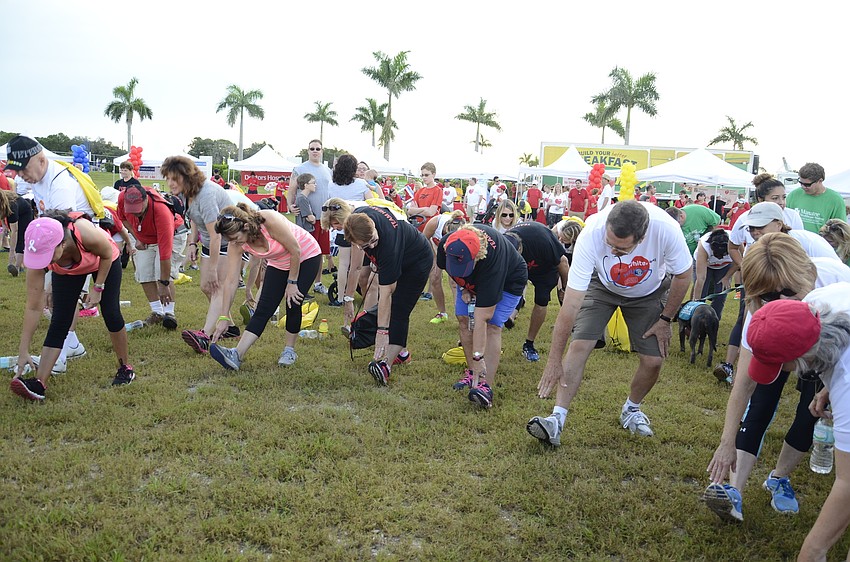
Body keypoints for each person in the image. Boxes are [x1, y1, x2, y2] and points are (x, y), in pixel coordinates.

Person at [704, 233, 850, 523]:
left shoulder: (837, 281)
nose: (780, 301)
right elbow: (744, 384)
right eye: (768, 295)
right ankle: (735, 490)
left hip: (830, 346)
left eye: (789, 290)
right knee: (761, 400)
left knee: (811, 411)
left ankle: (778, 477)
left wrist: (829, 389)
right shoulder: (760, 314)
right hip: (786, 344)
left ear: (808, 274)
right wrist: (726, 442)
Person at [527, 201, 692, 445]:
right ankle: (556, 420)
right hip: (601, 285)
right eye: (610, 244)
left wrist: (665, 319)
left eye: (622, 249)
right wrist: (553, 360)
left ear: (642, 237)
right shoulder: (592, 233)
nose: (613, 252)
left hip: (648, 292)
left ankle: (632, 410)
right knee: (580, 345)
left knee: (653, 360)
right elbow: (570, 305)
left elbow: (684, 275)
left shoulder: (666, 228)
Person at [749, 287, 850, 561]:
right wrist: (827, 390)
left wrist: (811, 552)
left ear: (804, 356)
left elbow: (847, 482)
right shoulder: (810, 307)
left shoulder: (847, 380)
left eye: (780, 364)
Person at [10, 212, 134, 401]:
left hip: (104, 260)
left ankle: (125, 368)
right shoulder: (38, 257)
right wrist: (23, 350)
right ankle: (39, 384)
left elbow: (107, 254)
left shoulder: (84, 233)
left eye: (48, 256)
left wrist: (97, 288)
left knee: (111, 313)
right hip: (69, 271)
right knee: (60, 320)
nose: (44, 262)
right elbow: (33, 307)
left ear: (62, 244)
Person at [5, 135, 92, 369]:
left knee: (59, 298)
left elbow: (65, 235)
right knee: (55, 298)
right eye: (16, 170)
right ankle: (71, 344)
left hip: (79, 247)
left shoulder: (60, 184)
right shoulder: (38, 178)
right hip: (61, 242)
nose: (19, 174)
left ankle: (58, 358)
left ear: (41, 160)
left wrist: (52, 279)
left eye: (22, 168)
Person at [713, 173, 806, 381]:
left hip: (785, 278)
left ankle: (779, 363)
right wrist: (746, 267)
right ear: (761, 200)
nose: (781, 202)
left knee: (782, 318)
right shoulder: (745, 218)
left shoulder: (793, 217)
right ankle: (731, 365)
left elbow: (798, 248)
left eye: (783, 197)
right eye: (775, 198)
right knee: (747, 317)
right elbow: (733, 246)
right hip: (756, 277)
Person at [207, 203, 322, 369]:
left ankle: (289, 350)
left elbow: (295, 250)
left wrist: (292, 283)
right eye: (229, 239)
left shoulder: (269, 220)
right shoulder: (236, 244)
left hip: (306, 255)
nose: (233, 242)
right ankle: (236, 354)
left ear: (246, 226)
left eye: (235, 237)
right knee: (263, 309)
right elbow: (231, 281)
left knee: (293, 302)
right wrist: (224, 316)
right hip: (280, 262)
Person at [437, 224, 528, 408]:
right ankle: (472, 373)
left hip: (510, 280)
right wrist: (465, 286)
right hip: (477, 278)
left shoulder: (492, 261)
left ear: (477, 256)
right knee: (462, 318)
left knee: (492, 325)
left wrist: (479, 357)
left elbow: (481, 318)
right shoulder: (446, 245)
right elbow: (448, 269)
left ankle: (486, 385)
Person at [343, 206, 432, 386]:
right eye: (366, 245)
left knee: (399, 309)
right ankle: (402, 352)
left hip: (417, 262)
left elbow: (386, 294)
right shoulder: (358, 217)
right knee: (390, 309)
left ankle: (386, 365)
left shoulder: (388, 244)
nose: (372, 246)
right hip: (399, 253)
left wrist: (382, 332)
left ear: (374, 226)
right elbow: (361, 266)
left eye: (373, 240)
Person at [160, 156, 240, 353]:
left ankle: (204, 336)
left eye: (174, 179)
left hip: (227, 241)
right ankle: (229, 327)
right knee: (206, 287)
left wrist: (212, 268)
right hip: (209, 241)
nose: (170, 183)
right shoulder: (188, 193)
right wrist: (192, 243)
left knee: (216, 287)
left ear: (187, 177)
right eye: (168, 178)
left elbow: (216, 235)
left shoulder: (206, 195)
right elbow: (195, 217)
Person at [115, 184, 182, 329]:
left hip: (172, 234)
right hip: (145, 236)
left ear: (146, 200)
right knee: (143, 272)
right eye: (132, 210)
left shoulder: (161, 211)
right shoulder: (122, 197)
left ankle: (169, 314)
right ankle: (157, 312)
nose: (136, 214)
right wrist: (137, 236)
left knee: (162, 272)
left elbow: (165, 255)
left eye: (138, 210)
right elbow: (122, 217)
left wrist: (163, 284)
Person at [503, 221, 569, 362]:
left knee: (541, 300)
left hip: (544, 268)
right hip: (520, 269)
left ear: (521, 249)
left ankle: (529, 344)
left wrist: (564, 288)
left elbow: (563, 262)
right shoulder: (502, 245)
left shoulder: (542, 240)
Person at [286, 140, 332, 295]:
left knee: (319, 253)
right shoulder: (300, 169)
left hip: (323, 218)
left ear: (322, 150)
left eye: (317, 149)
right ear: (307, 151)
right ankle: (298, 283)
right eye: (312, 148)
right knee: (304, 252)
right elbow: (291, 189)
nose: (315, 151)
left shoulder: (327, 170)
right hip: (306, 219)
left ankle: (318, 283)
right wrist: (289, 205)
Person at [422, 210, 467, 325]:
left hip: (455, 253)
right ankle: (442, 313)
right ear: (445, 229)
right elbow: (422, 240)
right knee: (435, 278)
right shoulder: (435, 223)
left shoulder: (465, 229)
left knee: (455, 282)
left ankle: (461, 315)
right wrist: (434, 256)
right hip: (436, 250)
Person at [786, 162, 847, 233]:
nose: (803, 187)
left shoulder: (835, 200)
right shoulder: (794, 195)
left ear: (820, 181)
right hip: (795, 242)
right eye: (801, 183)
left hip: (821, 242)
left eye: (807, 184)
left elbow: (839, 229)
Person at [692, 228, 733, 320]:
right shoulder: (703, 246)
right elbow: (701, 278)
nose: (719, 258)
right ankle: (697, 318)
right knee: (702, 292)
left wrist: (727, 277)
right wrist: (696, 302)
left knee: (721, 294)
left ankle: (714, 320)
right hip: (706, 265)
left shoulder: (735, 242)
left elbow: (740, 262)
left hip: (724, 267)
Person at [0, 189, 33, 276]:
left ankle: (17, 267)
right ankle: (19, 265)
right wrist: (3, 225)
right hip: (11, 208)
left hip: (25, 213)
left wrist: (11, 254)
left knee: (20, 238)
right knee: (16, 237)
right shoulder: (4, 202)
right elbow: (2, 212)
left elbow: (14, 232)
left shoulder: (12, 207)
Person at [405, 162, 442, 231]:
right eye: (422, 175)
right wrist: (425, 209)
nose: (424, 177)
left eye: (426, 175)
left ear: (433, 175)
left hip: (431, 228)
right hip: (419, 226)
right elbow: (410, 211)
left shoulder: (438, 190)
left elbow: (431, 212)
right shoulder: (420, 191)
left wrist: (417, 211)